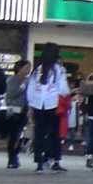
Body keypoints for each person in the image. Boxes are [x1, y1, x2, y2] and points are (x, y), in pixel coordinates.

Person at [26, 44, 69, 172]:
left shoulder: (37, 69)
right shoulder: (59, 69)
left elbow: (30, 89)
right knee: (54, 133)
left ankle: (39, 162)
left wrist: (30, 104)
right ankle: (54, 160)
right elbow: (63, 89)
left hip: (38, 105)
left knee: (39, 133)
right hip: (53, 105)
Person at [2, 59, 31, 170]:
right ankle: (12, 157)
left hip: (24, 110)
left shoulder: (28, 80)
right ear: (19, 68)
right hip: (13, 110)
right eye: (26, 67)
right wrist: (22, 86)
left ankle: (15, 155)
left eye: (29, 68)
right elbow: (11, 94)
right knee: (13, 135)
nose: (28, 70)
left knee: (20, 134)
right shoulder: (12, 80)